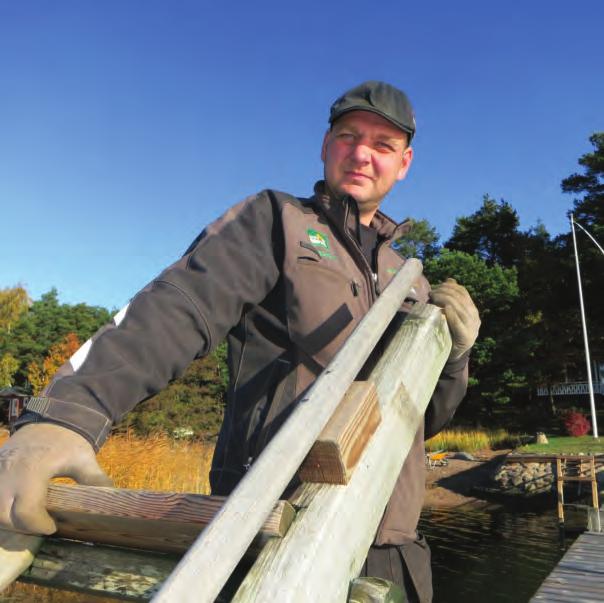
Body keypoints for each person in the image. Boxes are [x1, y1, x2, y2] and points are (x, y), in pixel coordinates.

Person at [0, 81, 480, 602]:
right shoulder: (277, 221)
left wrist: (455, 357)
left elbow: (420, 422)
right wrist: (67, 414)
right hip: (278, 531)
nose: (362, 154)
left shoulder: (410, 280)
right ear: (325, 146)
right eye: (348, 137)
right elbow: (178, 307)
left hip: (394, 554)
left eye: (382, 145)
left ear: (403, 162)